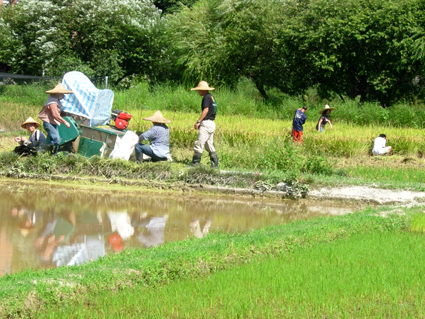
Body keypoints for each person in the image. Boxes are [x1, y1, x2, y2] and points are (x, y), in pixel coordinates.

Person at [38, 83, 73, 155]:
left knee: (55, 141)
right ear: (57, 94)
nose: (63, 95)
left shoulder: (57, 101)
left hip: (53, 123)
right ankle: (42, 149)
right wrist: (65, 122)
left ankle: (53, 155)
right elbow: (55, 114)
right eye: (62, 93)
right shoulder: (52, 102)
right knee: (56, 140)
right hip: (49, 123)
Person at [190, 81, 218, 168]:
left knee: (199, 143)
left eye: (199, 90)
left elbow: (205, 110)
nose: (198, 92)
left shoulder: (206, 98)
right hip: (212, 123)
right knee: (209, 145)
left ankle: (195, 163)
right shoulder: (212, 97)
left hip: (206, 123)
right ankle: (214, 165)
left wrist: (198, 121)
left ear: (202, 90)